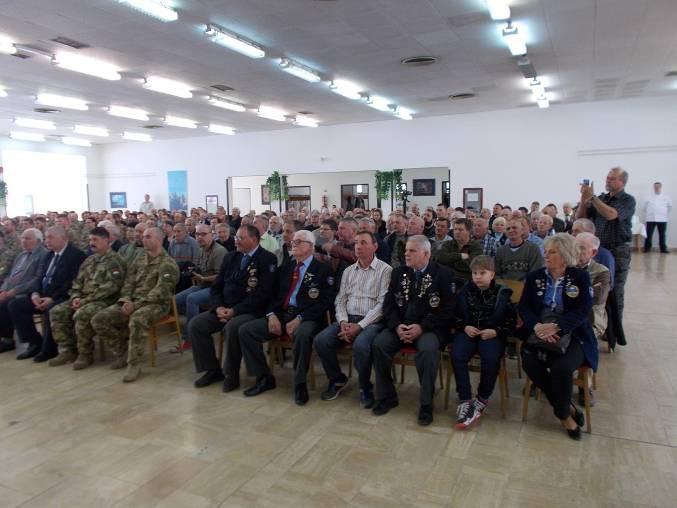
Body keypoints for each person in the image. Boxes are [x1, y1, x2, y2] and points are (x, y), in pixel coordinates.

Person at [238, 230, 334, 405]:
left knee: (302, 335)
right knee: (246, 330)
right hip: (282, 315)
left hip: (308, 317)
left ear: (311, 247)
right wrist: (271, 314)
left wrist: (300, 318)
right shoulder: (286, 268)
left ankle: (299, 384)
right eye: (293, 242)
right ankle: (264, 378)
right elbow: (271, 295)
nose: (293, 244)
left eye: (299, 242)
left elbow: (325, 303)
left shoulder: (323, 270)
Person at [519, 233, 598, 440]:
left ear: (565, 255)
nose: (546, 255)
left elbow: (582, 310)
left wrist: (558, 328)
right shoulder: (535, 277)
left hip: (573, 333)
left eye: (552, 252)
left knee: (561, 368)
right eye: (546, 251)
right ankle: (566, 408)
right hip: (540, 330)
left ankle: (563, 415)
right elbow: (525, 307)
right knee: (529, 361)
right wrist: (537, 326)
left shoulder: (579, 277)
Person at [371, 235, 456, 426]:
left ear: (426, 253)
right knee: (379, 344)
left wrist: (422, 326)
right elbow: (388, 305)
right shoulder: (398, 273)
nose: (406, 254)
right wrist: (396, 325)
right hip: (401, 326)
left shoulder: (444, 274)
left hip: (429, 328)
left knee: (427, 350)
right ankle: (387, 396)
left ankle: (426, 403)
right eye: (406, 250)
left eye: (412, 251)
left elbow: (448, 310)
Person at [190, 225, 277, 391]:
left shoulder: (267, 259)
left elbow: (262, 294)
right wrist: (218, 307)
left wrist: (234, 311)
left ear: (254, 239)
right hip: (224, 308)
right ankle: (213, 370)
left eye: (240, 238)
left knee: (233, 327)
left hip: (250, 310)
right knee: (197, 325)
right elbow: (216, 287)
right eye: (235, 237)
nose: (236, 241)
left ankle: (231, 374)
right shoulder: (231, 257)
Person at [91, 227, 179, 382]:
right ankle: (122, 352)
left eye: (147, 236)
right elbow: (128, 281)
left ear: (158, 240)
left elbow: (160, 292)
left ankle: (134, 364)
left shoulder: (168, 264)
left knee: (137, 319)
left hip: (156, 304)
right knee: (99, 319)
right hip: (132, 301)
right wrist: (125, 299)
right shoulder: (139, 257)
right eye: (143, 236)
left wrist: (136, 305)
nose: (143, 239)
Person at [315, 231, 392, 408]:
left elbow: (382, 305)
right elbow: (340, 299)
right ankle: (337, 379)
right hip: (348, 319)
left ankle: (365, 386)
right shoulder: (349, 270)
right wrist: (343, 322)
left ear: (375, 246)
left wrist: (359, 326)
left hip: (372, 322)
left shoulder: (385, 270)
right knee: (321, 340)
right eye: (356, 243)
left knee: (360, 346)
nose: (358, 246)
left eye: (364, 243)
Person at [452, 256, 516, 429]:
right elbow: (454, 315)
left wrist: (496, 331)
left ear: (492, 274)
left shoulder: (503, 293)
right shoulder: (465, 291)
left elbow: (511, 322)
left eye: (482, 273)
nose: (478, 277)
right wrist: (464, 326)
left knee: (490, 358)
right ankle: (465, 398)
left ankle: (482, 398)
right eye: (474, 273)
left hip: (492, 334)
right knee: (457, 354)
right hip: (469, 332)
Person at [49, 227, 126, 368]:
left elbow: (111, 287)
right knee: (57, 311)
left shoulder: (115, 261)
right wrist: (75, 297)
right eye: (90, 239)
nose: (91, 243)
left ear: (106, 240)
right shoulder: (89, 260)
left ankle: (85, 354)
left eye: (95, 239)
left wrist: (84, 301)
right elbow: (77, 282)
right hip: (83, 299)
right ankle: (67, 350)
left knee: (82, 314)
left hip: (106, 300)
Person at [8, 226, 86, 361]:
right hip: (42, 295)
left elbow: (72, 282)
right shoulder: (49, 255)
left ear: (63, 238)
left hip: (63, 296)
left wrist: (52, 298)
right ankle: (34, 342)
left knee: (52, 309)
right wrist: (35, 294)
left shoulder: (76, 255)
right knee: (15, 304)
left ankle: (49, 350)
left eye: (51, 237)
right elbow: (39, 278)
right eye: (46, 238)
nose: (47, 241)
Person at [577, 167, 636, 321]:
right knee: (596, 287)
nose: (607, 180)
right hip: (597, 250)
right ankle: (596, 322)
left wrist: (593, 198)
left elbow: (611, 215)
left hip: (618, 251)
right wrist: (584, 200)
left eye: (612, 178)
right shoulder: (601, 198)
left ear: (622, 182)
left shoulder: (627, 200)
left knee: (615, 290)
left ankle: (614, 331)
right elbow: (581, 218)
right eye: (607, 177)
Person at [173, 224, 227, 352]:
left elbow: (221, 277)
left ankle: (189, 338)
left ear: (211, 235)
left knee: (192, 298)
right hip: (202, 285)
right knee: (175, 300)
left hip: (216, 288)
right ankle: (201, 320)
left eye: (204, 234)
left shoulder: (219, 251)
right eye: (197, 234)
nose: (200, 237)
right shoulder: (201, 249)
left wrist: (204, 279)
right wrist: (194, 272)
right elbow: (201, 269)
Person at [0, 229, 49, 353]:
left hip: (32, 292)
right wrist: (3, 290)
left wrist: (14, 292)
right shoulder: (21, 255)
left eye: (27, 238)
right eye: (22, 238)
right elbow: (10, 276)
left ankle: (34, 341)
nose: (23, 241)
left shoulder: (43, 255)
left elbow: (36, 280)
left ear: (38, 241)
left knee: (13, 304)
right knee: (2, 302)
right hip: (13, 290)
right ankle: (7, 339)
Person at [643, 182, 672, 253]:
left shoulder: (666, 197)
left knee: (662, 234)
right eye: (655, 187)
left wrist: (663, 213)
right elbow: (644, 207)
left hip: (662, 219)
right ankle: (647, 248)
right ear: (653, 187)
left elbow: (669, 207)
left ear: (661, 187)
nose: (657, 188)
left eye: (658, 187)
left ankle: (663, 248)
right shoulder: (648, 197)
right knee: (648, 234)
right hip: (650, 218)